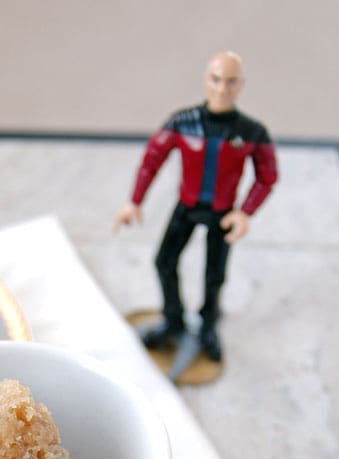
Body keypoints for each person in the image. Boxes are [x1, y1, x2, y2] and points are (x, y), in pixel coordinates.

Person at [114, 50, 278, 362]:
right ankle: (173, 321)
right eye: (216, 80)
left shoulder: (252, 131)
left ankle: (208, 325)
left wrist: (245, 211)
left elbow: (267, 176)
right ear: (206, 80)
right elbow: (152, 160)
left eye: (231, 82)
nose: (222, 89)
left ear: (240, 85)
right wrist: (134, 201)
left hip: (223, 213)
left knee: (214, 274)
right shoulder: (182, 122)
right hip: (187, 207)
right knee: (164, 261)